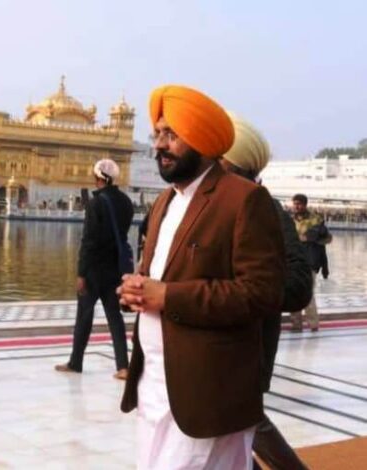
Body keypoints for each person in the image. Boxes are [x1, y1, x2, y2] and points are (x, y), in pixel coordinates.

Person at [117, 85, 285, 469]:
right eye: (157, 134)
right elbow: (161, 277)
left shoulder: (242, 199)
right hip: (156, 387)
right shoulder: (166, 201)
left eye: (171, 135)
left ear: (204, 141)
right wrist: (137, 289)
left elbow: (262, 293)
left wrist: (168, 297)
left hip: (208, 391)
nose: (159, 145)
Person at [221, 115, 312, 470]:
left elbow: (298, 285)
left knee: (241, 424)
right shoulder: (218, 203)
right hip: (218, 348)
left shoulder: (263, 206)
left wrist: (241, 294)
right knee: (229, 431)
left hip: (245, 346)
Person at [55, 158, 132, 380]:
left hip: (94, 270)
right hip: (114, 269)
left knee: (84, 316)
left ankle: (75, 362)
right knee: (114, 318)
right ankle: (123, 366)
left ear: (98, 178)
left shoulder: (96, 203)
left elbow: (88, 241)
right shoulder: (126, 202)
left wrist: (81, 273)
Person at [289, 193, 331, 332]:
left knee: (308, 293)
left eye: (299, 204)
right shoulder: (289, 221)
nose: (296, 206)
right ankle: (296, 324)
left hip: (309, 263)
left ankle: (313, 324)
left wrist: (308, 237)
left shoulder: (315, 220)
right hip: (293, 263)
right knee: (293, 292)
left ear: (305, 205)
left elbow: (327, 239)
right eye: (295, 203)